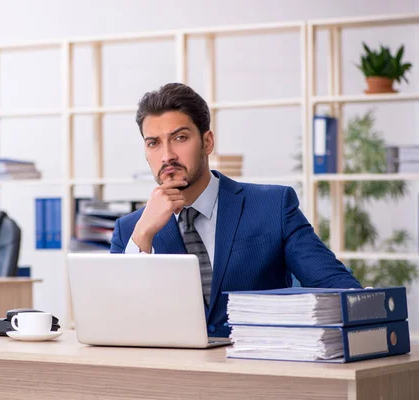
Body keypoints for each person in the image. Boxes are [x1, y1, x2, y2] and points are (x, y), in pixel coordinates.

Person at [110, 82, 362, 337]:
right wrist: (143, 235)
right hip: (171, 373)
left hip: (257, 367)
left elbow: (342, 291)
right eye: (154, 143)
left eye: (180, 138)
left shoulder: (273, 207)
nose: (167, 156)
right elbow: (115, 320)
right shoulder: (131, 230)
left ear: (207, 142)